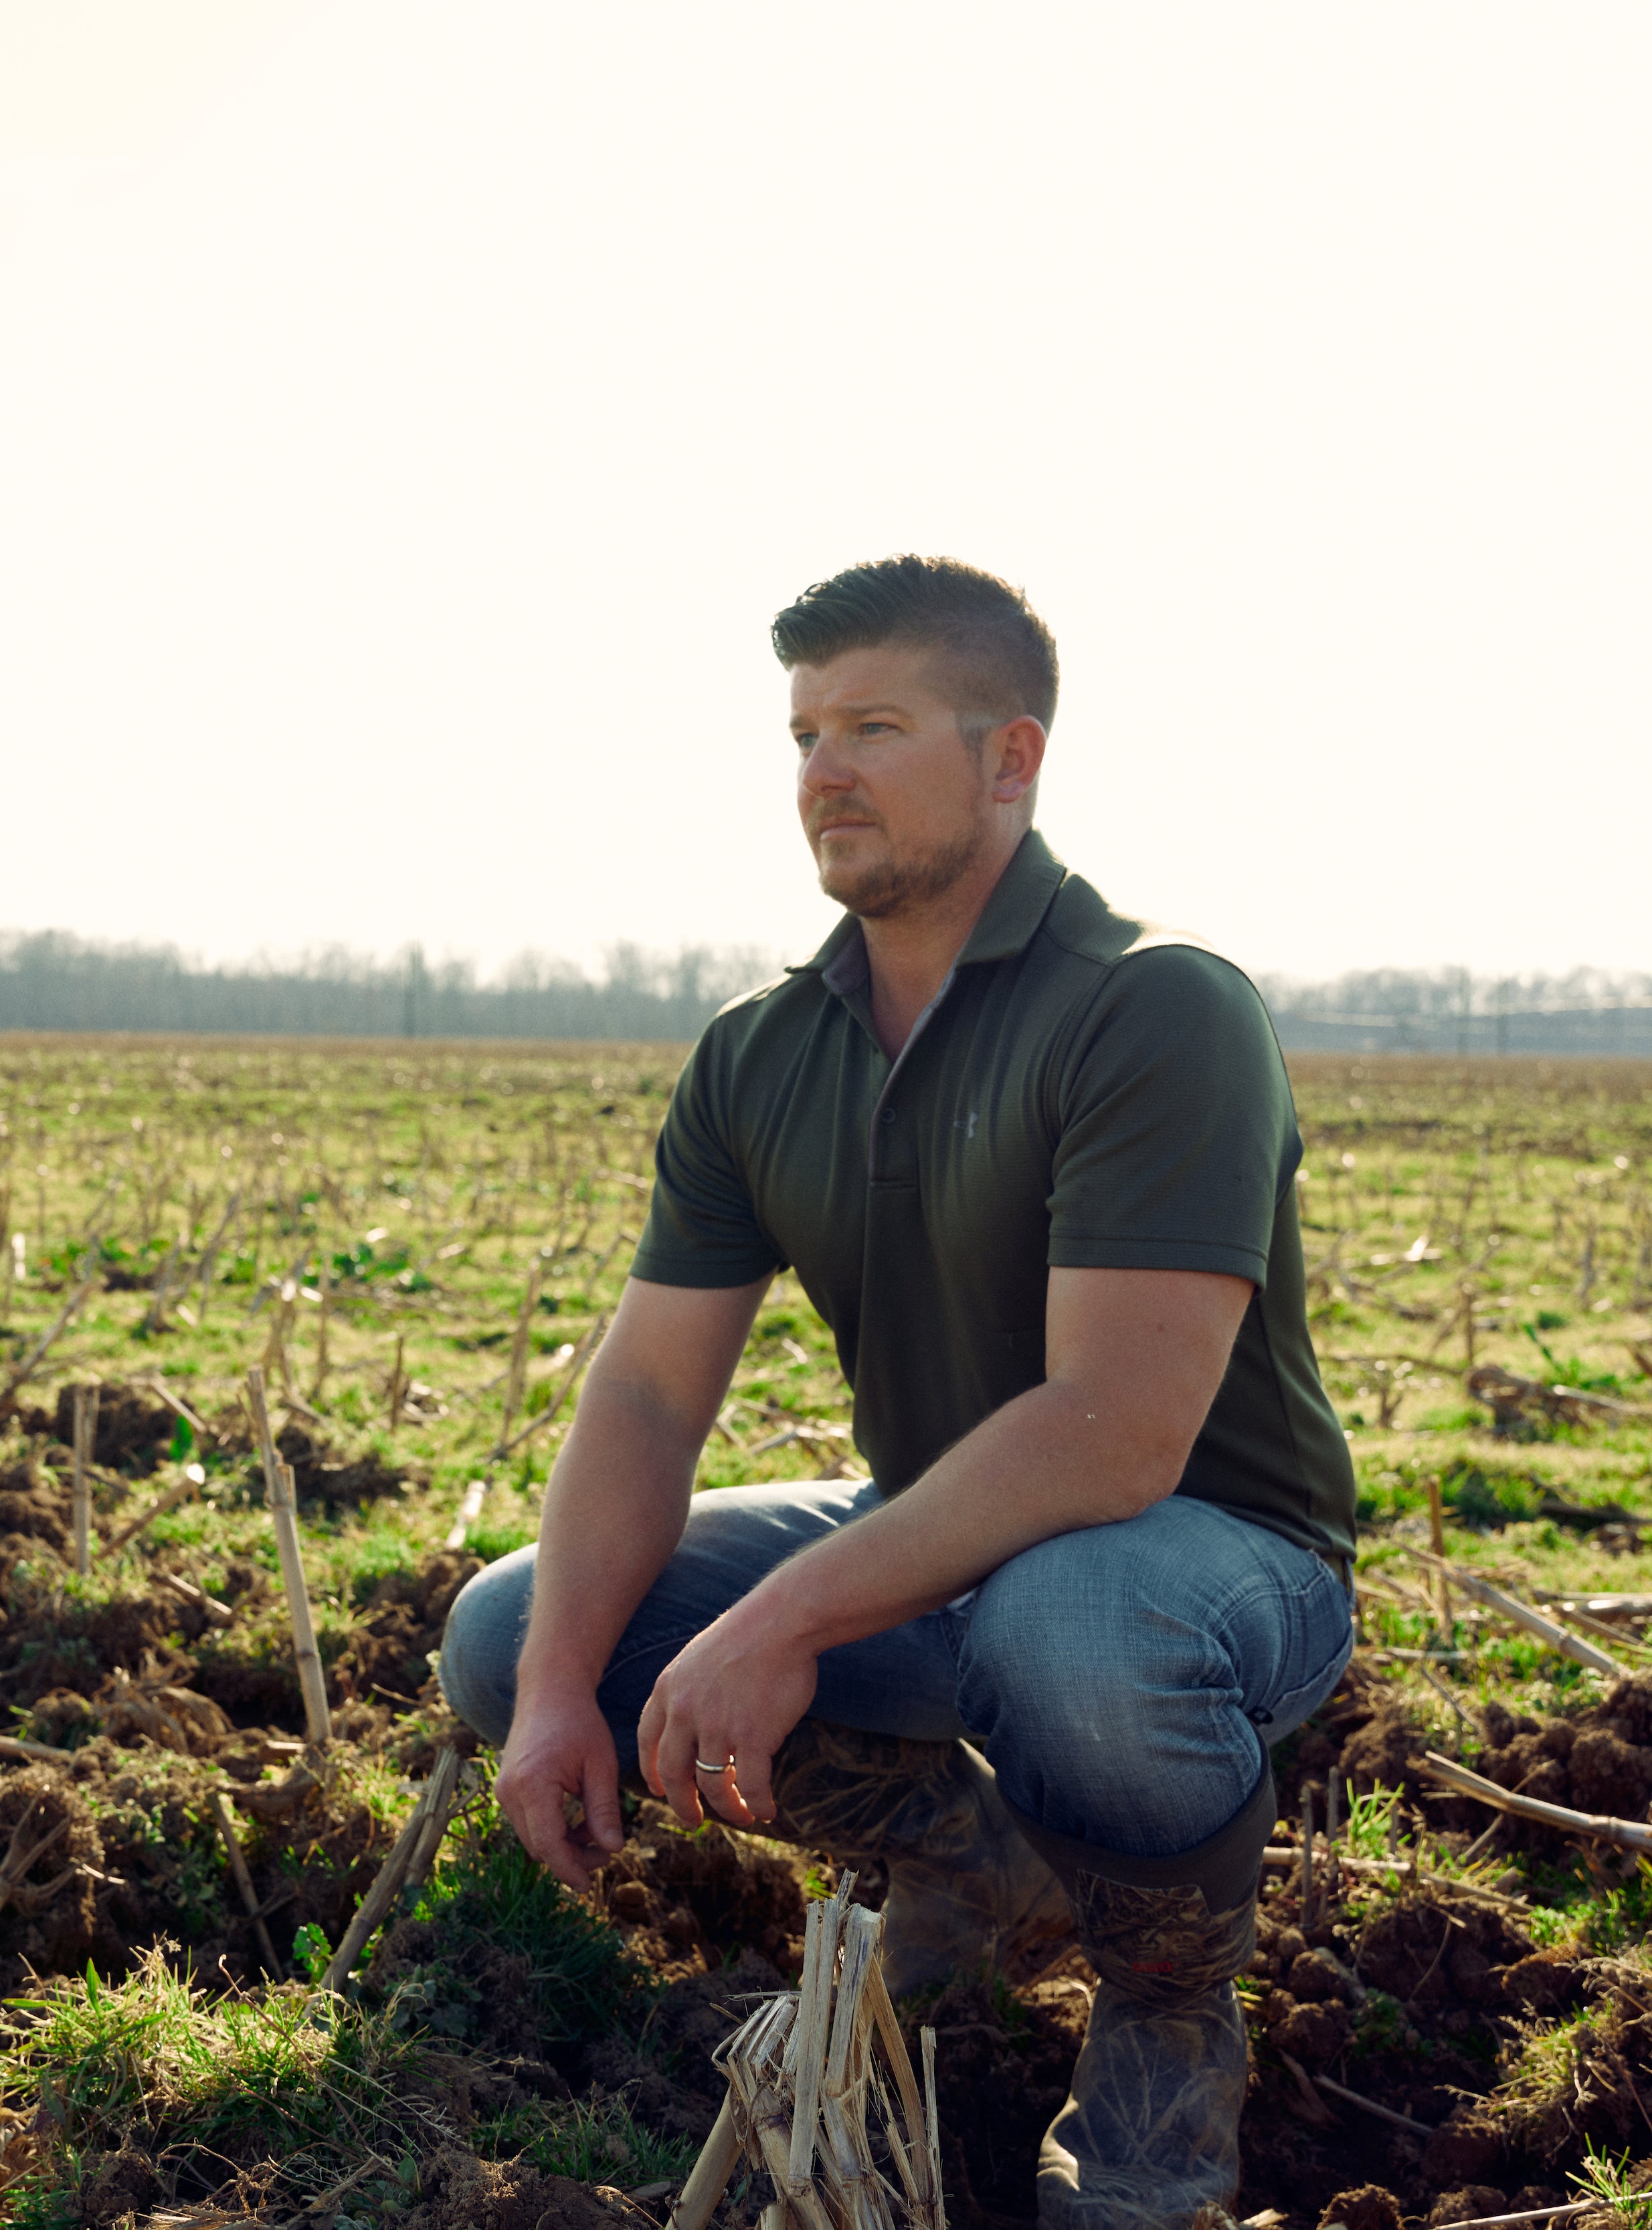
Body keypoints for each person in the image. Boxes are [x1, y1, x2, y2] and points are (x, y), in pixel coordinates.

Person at [439, 556, 1356, 2230]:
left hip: (1204, 1562)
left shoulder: (1155, 1005)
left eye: (871, 725)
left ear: (1012, 760)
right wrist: (566, 1684)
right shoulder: (760, 1048)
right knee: (510, 1634)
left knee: (1074, 1625)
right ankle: (974, 1862)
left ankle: (1163, 2009)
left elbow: (1115, 1431)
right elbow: (648, 1390)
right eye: (799, 733)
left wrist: (789, 1615)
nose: (820, 774)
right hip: (940, 1548)